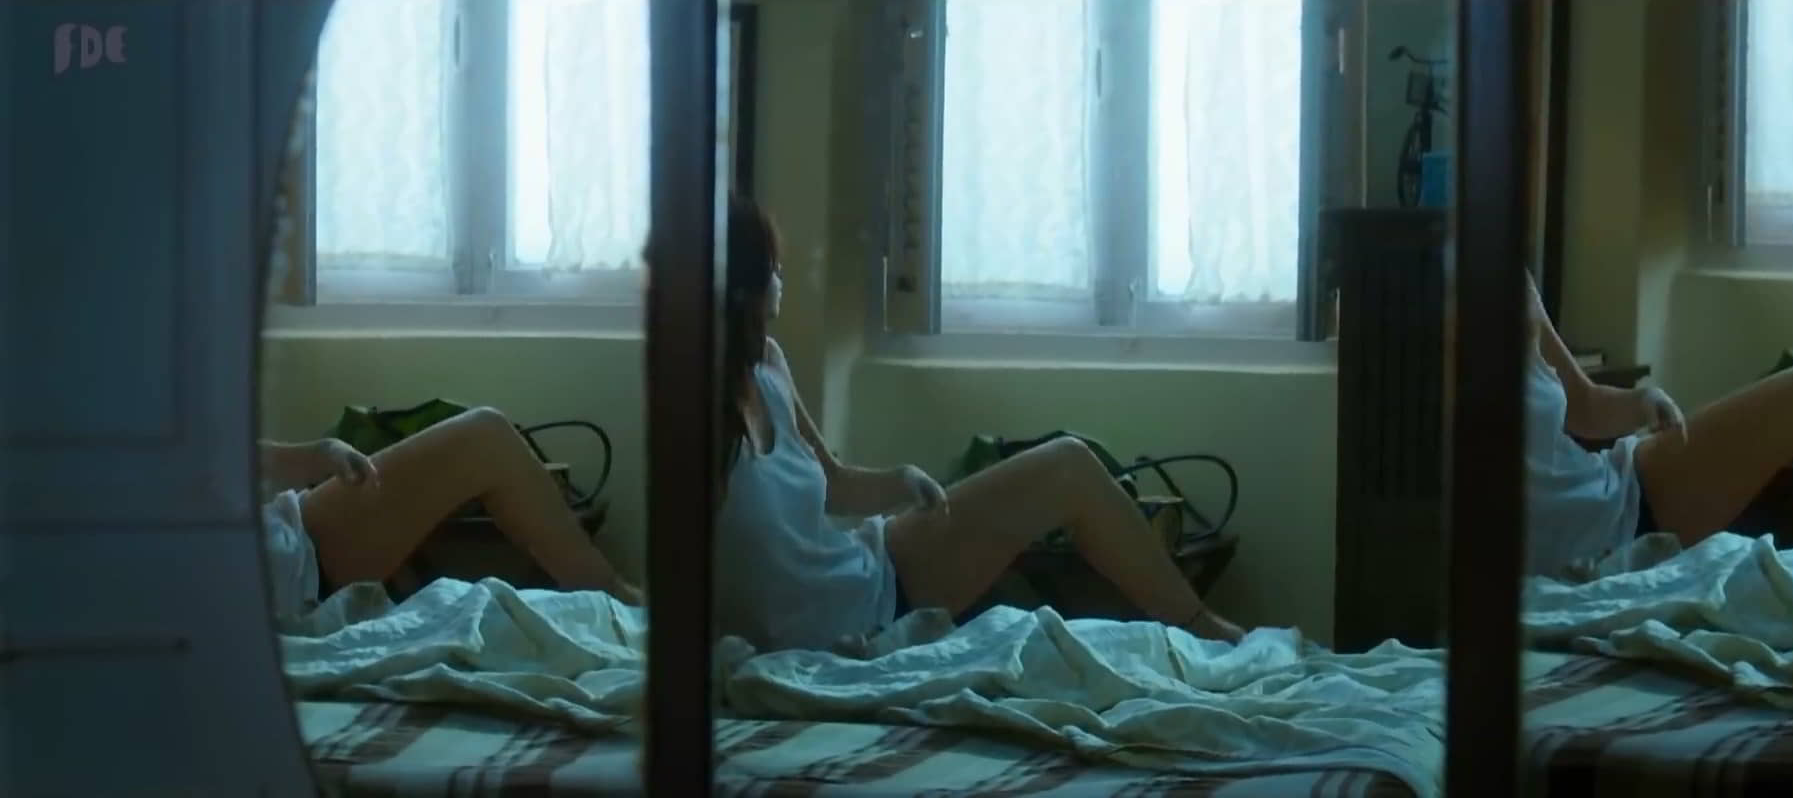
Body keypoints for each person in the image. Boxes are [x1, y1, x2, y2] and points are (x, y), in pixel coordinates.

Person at [707, 195, 1246, 651]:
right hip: (836, 627)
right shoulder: (691, 405)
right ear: (743, 283)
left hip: (867, 573)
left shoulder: (770, 365)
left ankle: (1208, 631)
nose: (783, 278)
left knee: (1068, 463)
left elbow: (836, 485)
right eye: (772, 267)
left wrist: (903, 480)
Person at [1524, 272, 1793, 575]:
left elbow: (1586, 405)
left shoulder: (1513, 278)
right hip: (1589, 544)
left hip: (1616, 492)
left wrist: (1644, 400)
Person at [257, 407, 647, 624]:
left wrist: (319, 453)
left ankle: (618, 600)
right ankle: (624, 611)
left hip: (289, 536)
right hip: (273, 579)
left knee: (485, 435)